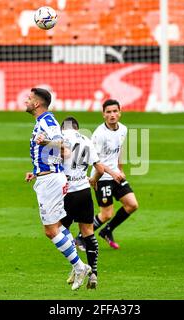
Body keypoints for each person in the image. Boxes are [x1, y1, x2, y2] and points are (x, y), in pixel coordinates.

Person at [24, 88, 91, 290]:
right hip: (48, 177)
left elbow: (61, 145)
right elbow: (56, 153)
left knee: (51, 231)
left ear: (37, 104)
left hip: (51, 182)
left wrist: (45, 141)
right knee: (59, 227)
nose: (26, 101)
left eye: (29, 99)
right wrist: (36, 170)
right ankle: (77, 263)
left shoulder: (47, 121)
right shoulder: (43, 121)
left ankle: (80, 266)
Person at [76, 99, 139, 250]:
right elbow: (95, 161)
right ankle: (80, 237)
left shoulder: (123, 129)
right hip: (101, 177)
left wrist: (120, 169)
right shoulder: (99, 134)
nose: (112, 115)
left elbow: (120, 150)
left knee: (132, 204)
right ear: (103, 115)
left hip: (115, 174)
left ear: (120, 113)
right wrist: (112, 173)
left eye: (115, 111)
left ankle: (107, 231)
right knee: (106, 214)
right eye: (108, 112)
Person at [60, 116, 105, 289]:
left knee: (57, 231)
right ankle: (93, 273)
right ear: (77, 128)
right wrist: (93, 179)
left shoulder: (60, 139)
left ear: (64, 128)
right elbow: (100, 169)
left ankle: (78, 265)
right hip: (84, 192)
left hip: (66, 194)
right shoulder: (86, 140)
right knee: (88, 233)